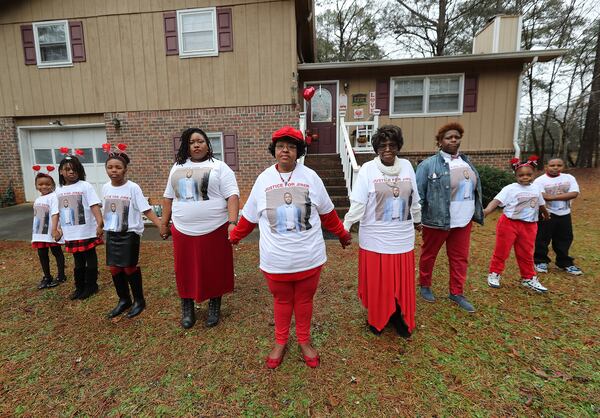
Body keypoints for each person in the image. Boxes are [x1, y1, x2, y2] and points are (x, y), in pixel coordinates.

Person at [229, 126, 352, 369]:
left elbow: (327, 214)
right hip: (276, 260)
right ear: (274, 150)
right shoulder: (263, 179)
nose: (286, 150)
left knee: (305, 300)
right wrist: (234, 237)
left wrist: (342, 234)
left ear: (299, 151)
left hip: (309, 256)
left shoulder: (311, 177)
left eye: (292, 146)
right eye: (281, 146)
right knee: (282, 301)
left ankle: (304, 341)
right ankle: (280, 341)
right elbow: (250, 217)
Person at [343, 125, 421, 337]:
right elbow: (358, 203)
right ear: (376, 147)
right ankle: (378, 318)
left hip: (402, 238)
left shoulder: (406, 166)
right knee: (380, 282)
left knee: (400, 282)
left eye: (392, 145)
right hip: (375, 240)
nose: (388, 149)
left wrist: (418, 220)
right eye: (383, 145)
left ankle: (399, 316)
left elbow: (413, 198)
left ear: (398, 146)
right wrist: (346, 226)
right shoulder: (368, 169)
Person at [160, 128, 240, 329]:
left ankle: (214, 304)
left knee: (214, 268)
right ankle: (187, 306)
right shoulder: (176, 167)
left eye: (201, 141)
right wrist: (164, 223)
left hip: (215, 228)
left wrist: (232, 223)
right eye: (192, 142)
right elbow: (168, 197)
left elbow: (232, 196)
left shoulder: (220, 167)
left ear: (208, 144)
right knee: (184, 269)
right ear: (186, 146)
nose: (196, 145)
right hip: (183, 229)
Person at [415, 122, 483, 313]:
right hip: (437, 220)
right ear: (439, 142)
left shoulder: (466, 162)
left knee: (460, 258)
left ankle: (457, 292)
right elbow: (418, 192)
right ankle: (425, 285)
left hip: (463, 220)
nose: (453, 140)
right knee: (429, 254)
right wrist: (417, 217)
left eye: (456, 137)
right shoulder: (428, 165)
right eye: (448, 137)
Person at [102, 145, 162, 319]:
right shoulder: (105, 188)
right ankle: (123, 300)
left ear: (125, 170)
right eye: (110, 167)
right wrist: (99, 226)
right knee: (114, 268)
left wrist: (160, 225)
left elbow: (146, 209)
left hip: (129, 233)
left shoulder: (133, 188)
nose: (114, 171)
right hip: (112, 233)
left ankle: (139, 300)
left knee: (129, 267)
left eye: (118, 167)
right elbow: (105, 209)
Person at [484, 156, 550, 292]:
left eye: (528, 174)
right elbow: (496, 201)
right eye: (521, 175)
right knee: (502, 251)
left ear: (534, 174)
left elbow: (541, 203)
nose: (525, 177)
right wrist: (487, 210)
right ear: (515, 175)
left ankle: (528, 278)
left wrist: (546, 214)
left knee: (526, 253)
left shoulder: (536, 188)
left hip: (529, 226)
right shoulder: (510, 188)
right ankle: (494, 274)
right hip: (509, 224)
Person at [51, 152, 104, 300]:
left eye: (75, 169)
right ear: (61, 171)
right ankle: (79, 286)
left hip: (87, 230)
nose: (71, 172)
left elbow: (94, 205)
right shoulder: (58, 190)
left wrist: (100, 223)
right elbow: (56, 212)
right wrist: (55, 229)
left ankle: (91, 285)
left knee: (90, 258)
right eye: (67, 169)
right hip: (71, 232)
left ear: (79, 171)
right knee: (78, 261)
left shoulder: (85, 186)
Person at [533, 157, 582, 275]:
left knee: (565, 238)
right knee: (542, 238)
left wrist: (552, 197)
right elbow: (541, 196)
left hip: (564, 213)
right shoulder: (540, 181)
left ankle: (564, 262)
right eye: (552, 165)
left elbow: (574, 193)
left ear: (563, 166)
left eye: (559, 165)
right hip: (546, 213)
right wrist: (564, 195)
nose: (555, 168)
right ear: (546, 166)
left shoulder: (569, 178)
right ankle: (540, 261)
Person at [32, 170, 66, 289]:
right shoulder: (37, 200)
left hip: (51, 230)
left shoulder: (53, 197)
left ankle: (61, 275)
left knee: (56, 252)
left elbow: (55, 213)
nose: (44, 186)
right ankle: (47, 277)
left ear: (52, 185)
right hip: (40, 232)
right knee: (42, 253)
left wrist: (55, 229)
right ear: (36, 186)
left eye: (47, 184)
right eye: (40, 184)